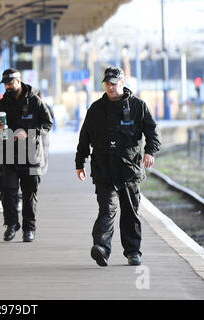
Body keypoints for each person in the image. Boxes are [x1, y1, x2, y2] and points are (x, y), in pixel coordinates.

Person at [75, 67, 161, 267]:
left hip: (129, 169)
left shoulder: (138, 106)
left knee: (130, 212)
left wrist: (150, 151)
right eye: (107, 84)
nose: (110, 87)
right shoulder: (96, 109)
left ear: (122, 83)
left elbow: (152, 133)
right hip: (103, 169)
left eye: (114, 83)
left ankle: (133, 252)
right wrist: (79, 163)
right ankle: (101, 248)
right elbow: (84, 137)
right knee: (107, 209)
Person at [0, 68, 53, 242]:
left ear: (19, 81)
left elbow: (48, 124)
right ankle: (11, 225)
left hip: (31, 155)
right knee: (7, 191)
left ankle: (29, 228)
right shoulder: (3, 103)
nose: (8, 86)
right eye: (5, 84)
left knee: (29, 193)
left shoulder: (34, 100)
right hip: (8, 154)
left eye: (10, 83)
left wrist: (29, 133)